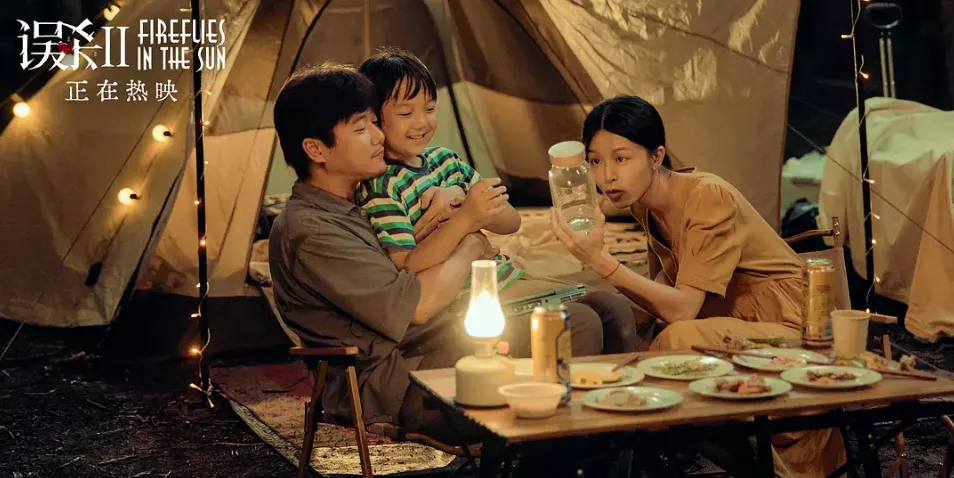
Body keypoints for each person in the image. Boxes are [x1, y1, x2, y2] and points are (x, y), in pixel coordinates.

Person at [268, 63, 637, 447]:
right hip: (398, 376)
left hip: (442, 334)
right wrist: (470, 240)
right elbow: (419, 306)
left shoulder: (359, 199)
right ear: (316, 149)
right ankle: (553, 459)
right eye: (362, 129)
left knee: (609, 308)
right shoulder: (312, 230)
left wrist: (454, 214)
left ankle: (613, 448)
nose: (379, 137)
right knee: (572, 325)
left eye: (376, 123)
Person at [549, 95, 845, 477]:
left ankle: (638, 447)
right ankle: (596, 444)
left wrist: (601, 261)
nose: (607, 177)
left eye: (621, 159)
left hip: (787, 324)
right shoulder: (643, 203)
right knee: (607, 308)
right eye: (595, 161)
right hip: (723, 319)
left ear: (656, 156)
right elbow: (664, 283)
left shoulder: (707, 195)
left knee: (677, 338)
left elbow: (683, 308)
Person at [355, 48, 640, 356]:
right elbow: (407, 265)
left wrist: (470, 201)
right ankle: (567, 386)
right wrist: (466, 219)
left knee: (613, 307)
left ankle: (616, 383)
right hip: (465, 298)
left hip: (505, 275)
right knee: (577, 322)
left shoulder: (446, 161)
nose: (422, 122)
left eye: (429, 108)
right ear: (374, 119)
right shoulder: (383, 187)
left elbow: (511, 221)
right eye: (405, 113)